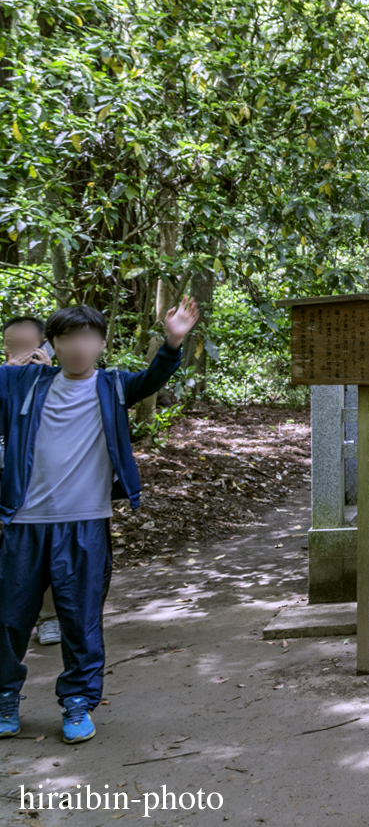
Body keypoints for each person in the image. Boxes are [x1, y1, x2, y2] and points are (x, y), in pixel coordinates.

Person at [0, 297, 200, 745]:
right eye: (68, 337)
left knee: (80, 618)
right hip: (24, 522)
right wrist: (9, 367)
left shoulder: (111, 386)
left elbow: (153, 378)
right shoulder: (24, 382)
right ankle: (4, 698)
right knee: (9, 618)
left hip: (85, 522)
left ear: (102, 343)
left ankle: (77, 703)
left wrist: (172, 340)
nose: (78, 346)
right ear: (53, 344)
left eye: (88, 337)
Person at [1, 318, 63, 649]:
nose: (21, 352)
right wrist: (10, 378)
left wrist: (49, 374)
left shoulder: (56, 379)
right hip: (5, 482)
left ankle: (49, 618)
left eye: (30, 345)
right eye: (14, 345)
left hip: (40, 484)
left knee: (44, 551)